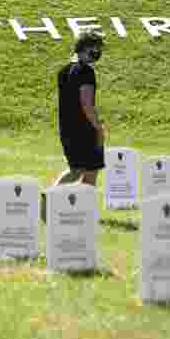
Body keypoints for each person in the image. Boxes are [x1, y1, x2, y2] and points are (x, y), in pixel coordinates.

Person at [41, 30, 106, 222]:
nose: (98, 52)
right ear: (85, 48)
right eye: (96, 48)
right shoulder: (86, 71)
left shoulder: (64, 70)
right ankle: (86, 211)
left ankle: (50, 194)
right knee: (91, 171)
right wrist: (98, 127)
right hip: (84, 129)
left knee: (76, 169)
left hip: (67, 128)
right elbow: (86, 103)